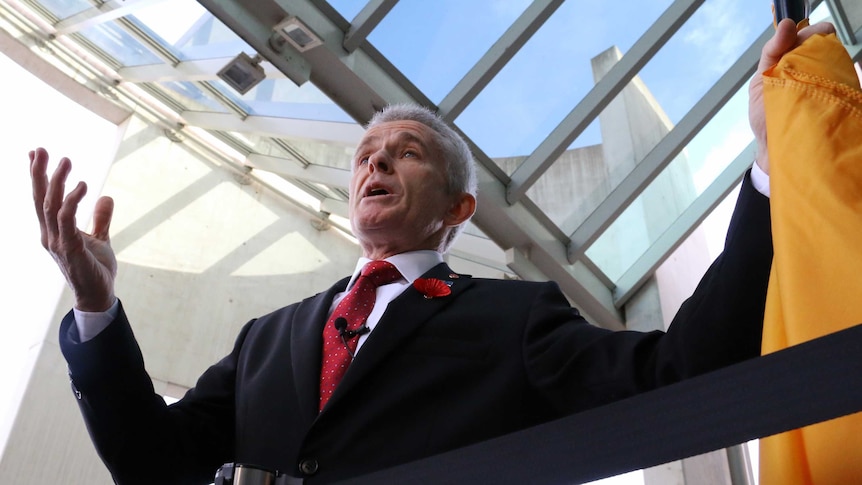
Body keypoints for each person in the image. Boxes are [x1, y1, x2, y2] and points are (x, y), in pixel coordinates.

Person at [29, 19, 834, 485]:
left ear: (458, 208)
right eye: (366, 153)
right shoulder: (264, 339)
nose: (375, 161)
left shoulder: (514, 319)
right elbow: (153, 464)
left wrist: (767, 170)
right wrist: (97, 307)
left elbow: (682, 374)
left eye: (404, 150)